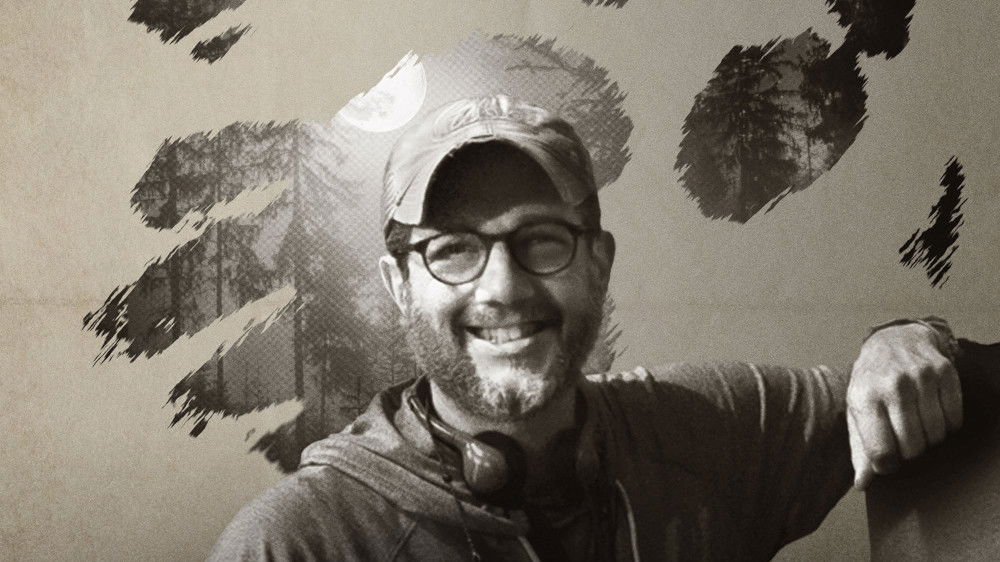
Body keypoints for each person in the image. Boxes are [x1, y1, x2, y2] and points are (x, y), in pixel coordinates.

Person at [210, 95, 968, 561]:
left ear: (598, 264)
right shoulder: (296, 543)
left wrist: (904, 337)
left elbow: (909, 384)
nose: (502, 288)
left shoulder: (709, 430)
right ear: (399, 286)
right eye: (454, 250)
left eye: (543, 240)